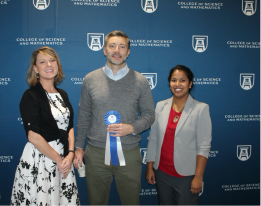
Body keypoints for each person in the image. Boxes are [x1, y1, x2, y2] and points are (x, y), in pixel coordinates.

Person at [73, 30, 155, 206]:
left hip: (129, 153)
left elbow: (149, 115)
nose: (117, 50)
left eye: (122, 46)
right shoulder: (90, 79)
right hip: (95, 153)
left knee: (131, 202)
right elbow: (84, 115)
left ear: (128, 51)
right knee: (97, 202)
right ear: (104, 50)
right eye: (112, 46)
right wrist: (79, 147)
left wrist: (132, 127)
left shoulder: (140, 81)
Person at [11, 46, 80, 206]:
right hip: (40, 160)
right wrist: (59, 160)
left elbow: (69, 127)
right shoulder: (30, 96)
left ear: (58, 65)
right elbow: (33, 136)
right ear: (35, 68)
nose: (48, 65)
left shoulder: (62, 94)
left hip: (63, 160)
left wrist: (69, 155)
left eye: (52, 60)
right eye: (42, 62)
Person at [145, 65, 212, 206]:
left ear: (190, 83)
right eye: (174, 80)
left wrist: (198, 176)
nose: (177, 84)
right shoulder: (160, 106)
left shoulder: (201, 109)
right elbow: (153, 139)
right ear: (169, 83)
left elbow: (203, 146)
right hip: (161, 173)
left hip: (186, 176)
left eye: (182, 80)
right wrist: (150, 167)